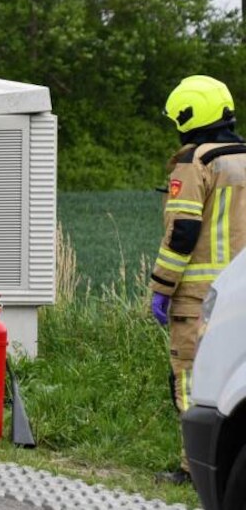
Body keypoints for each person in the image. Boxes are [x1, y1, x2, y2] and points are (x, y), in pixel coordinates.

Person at [149, 74, 246, 485]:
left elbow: (183, 233)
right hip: (240, 291)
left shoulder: (195, 163)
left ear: (189, 116)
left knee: (191, 380)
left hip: (200, 298)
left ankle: (195, 469)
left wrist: (161, 288)